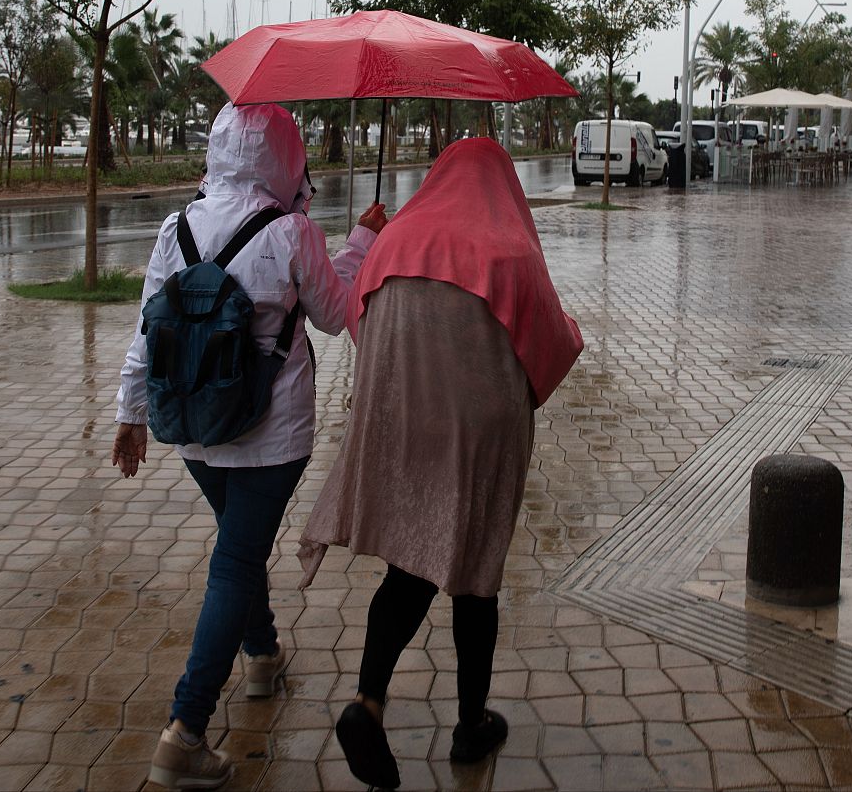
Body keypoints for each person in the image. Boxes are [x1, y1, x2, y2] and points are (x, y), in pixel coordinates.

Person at [111, 102, 388, 792]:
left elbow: (149, 325)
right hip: (274, 434)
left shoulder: (177, 226)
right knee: (236, 558)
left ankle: (261, 654)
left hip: (195, 429)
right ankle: (185, 730)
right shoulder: (291, 230)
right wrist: (359, 239)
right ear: (284, 156)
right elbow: (334, 314)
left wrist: (131, 413)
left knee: (238, 544)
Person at [297, 138, 584, 790]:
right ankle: (469, 723)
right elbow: (549, 347)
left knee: (413, 562)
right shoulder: (509, 250)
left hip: (404, 425)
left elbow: (361, 322)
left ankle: (368, 700)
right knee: (476, 573)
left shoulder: (395, 241)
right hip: (482, 435)